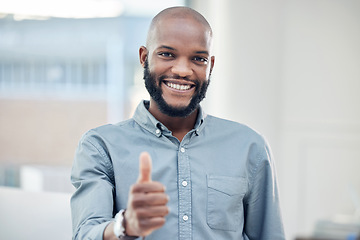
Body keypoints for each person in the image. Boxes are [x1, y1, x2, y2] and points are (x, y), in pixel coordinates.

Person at [71, 6, 285, 240]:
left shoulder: (249, 147)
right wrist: (125, 226)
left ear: (210, 66)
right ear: (144, 57)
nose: (182, 70)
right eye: (167, 54)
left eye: (198, 59)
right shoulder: (100, 146)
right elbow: (85, 233)